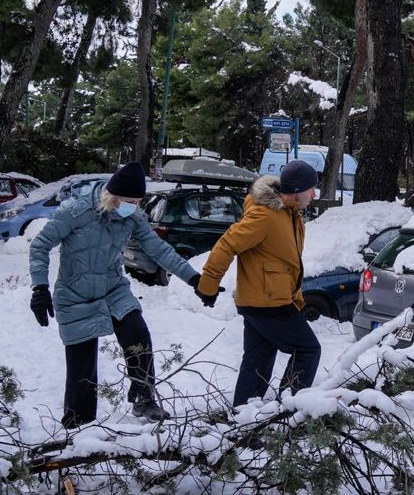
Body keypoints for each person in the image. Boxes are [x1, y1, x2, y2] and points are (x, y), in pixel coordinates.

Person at [29, 161, 208, 428]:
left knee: (137, 333)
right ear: (111, 196)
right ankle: (78, 423)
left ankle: (144, 398)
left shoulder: (133, 217)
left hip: (113, 289)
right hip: (75, 295)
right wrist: (39, 288)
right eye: (128, 201)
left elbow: (158, 249)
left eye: (137, 201)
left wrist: (193, 278)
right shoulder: (76, 212)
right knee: (82, 367)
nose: (133, 207)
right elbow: (40, 246)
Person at [196, 160, 322, 407]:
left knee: (258, 361)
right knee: (308, 350)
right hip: (268, 303)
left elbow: (284, 263)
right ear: (297, 190)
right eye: (311, 189)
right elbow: (227, 244)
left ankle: (244, 417)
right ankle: (288, 410)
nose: (314, 194)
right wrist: (207, 285)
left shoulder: (289, 214)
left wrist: (296, 298)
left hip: (265, 300)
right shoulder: (265, 215)